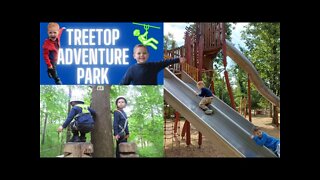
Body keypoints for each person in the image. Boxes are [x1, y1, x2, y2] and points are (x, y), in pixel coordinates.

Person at [120, 44, 186, 85]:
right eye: (139, 53)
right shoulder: (131, 70)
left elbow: (166, 62)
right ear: (134, 56)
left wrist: (178, 59)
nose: (142, 55)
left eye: (144, 53)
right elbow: (124, 83)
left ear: (148, 55)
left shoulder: (153, 66)